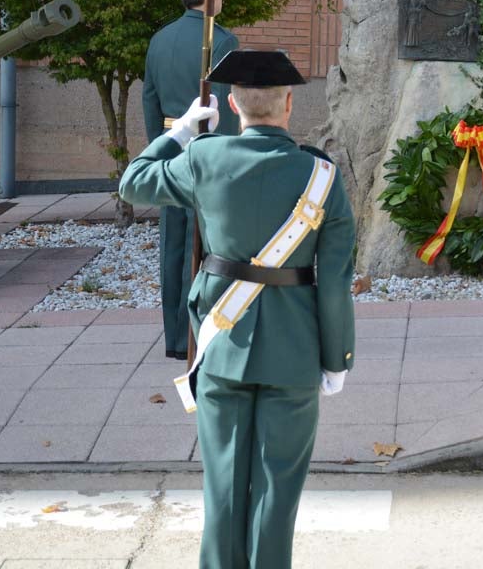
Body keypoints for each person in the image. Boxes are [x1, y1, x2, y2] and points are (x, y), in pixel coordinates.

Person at [120, 49, 356, 569]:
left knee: (223, 491)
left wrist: (181, 130)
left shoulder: (205, 157)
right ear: (289, 104)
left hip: (222, 350)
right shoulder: (322, 176)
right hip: (293, 356)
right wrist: (336, 359)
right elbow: (335, 283)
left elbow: (133, 182)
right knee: (276, 497)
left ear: (230, 104)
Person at [143, 0, 240, 360]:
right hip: (206, 152)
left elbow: (149, 98)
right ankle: (198, 333)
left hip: (171, 149)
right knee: (206, 246)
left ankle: (175, 337)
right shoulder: (222, 41)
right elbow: (223, 109)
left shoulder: (160, 39)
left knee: (173, 244)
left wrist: (160, 148)